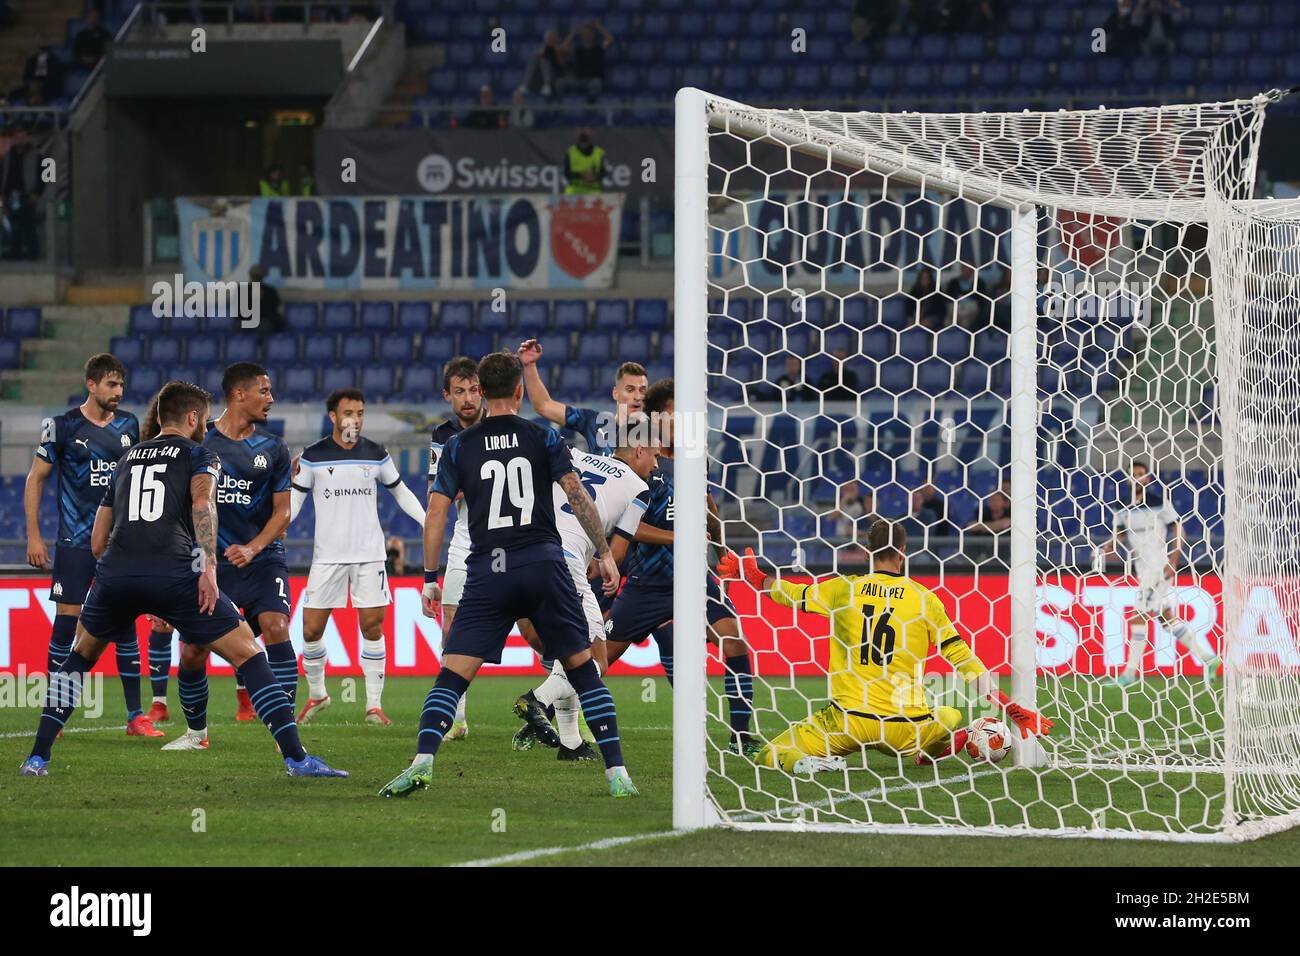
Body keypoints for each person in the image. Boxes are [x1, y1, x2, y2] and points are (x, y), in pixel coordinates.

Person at [20, 380, 346, 779]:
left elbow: (97, 539)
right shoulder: (199, 454)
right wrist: (207, 568)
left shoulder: (126, 458)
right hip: (174, 573)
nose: (205, 424)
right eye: (204, 418)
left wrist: (120, 575)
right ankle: (297, 759)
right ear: (193, 418)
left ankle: (37, 757)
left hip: (116, 573)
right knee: (249, 653)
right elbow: (202, 503)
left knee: (79, 656)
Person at [379, 352, 638, 798]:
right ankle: (617, 775)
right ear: (519, 390)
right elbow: (577, 496)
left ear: (481, 391)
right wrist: (604, 552)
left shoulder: (459, 446)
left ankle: (422, 762)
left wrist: (429, 575)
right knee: (583, 669)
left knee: (452, 674)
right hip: (542, 563)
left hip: (489, 569)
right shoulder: (543, 436)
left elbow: (437, 513)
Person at [716, 520, 1052, 774]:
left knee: (769, 752)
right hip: (906, 727)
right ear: (903, 553)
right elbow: (962, 658)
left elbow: (789, 593)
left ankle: (807, 764)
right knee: (951, 714)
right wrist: (1007, 705)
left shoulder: (843, 589)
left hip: (848, 722)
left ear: (866, 551)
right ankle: (932, 749)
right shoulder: (925, 600)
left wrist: (755, 577)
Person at [602, 378, 762, 755]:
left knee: (735, 641)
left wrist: (721, 548)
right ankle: (554, 709)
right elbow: (626, 525)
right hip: (648, 582)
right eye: (676, 413)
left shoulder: (694, 455)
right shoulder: (637, 459)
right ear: (658, 416)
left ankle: (741, 736)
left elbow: (708, 506)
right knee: (597, 659)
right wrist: (678, 539)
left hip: (692, 577)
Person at [151, 364, 296, 749]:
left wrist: (254, 547)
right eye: (264, 391)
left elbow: (284, 511)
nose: (271, 399)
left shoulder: (274, 448)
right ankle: (197, 734)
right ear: (239, 395)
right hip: (210, 567)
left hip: (263, 560)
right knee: (195, 649)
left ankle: (287, 730)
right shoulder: (199, 443)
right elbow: (178, 507)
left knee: (276, 625)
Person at [24, 354, 158, 737]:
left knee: (126, 623)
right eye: (111, 385)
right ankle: (56, 712)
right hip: (75, 541)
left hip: (120, 543)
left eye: (121, 385)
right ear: (91, 384)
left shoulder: (130, 425)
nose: (118, 392)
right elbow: (36, 479)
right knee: (67, 621)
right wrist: (34, 535)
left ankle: (135, 717)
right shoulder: (62, 426)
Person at [511, 414, 657, 760]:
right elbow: (617, 550)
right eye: (654, 454)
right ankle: (538, 700)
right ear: (639, 449)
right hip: (562, 560)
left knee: (562, 647)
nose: (655, 463)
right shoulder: (640, 490)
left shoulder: (575, 455)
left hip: (522, 548)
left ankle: (572, 743)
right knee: (596, 658)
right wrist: (605, 565)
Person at [290, 388, 428, 725]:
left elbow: (400, 491)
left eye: (361, 413)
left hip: (369, 555)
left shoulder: (376, 454)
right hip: (327, 557)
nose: (355, 419)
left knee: (371, 626)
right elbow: (295, 501)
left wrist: (427, 522)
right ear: (333, 417)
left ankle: (373, 705)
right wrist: (278, 526)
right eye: (349, 412)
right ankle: (319, 694)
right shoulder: (313, 456)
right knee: (310, 630)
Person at [1098, 460, 1219, 686]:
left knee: (1138, 616)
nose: (1136, 478)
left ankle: (1129, 673)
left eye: (1140, 474)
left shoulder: (1159, 503)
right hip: (1141, 569)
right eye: (1132, 474)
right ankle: (1208, 658)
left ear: (1148, 478)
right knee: (1166, 618)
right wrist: (1109, 546)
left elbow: (1178, 528)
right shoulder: (1122, 507)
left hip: (1158, 567)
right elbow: (1121, 534)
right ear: (1127, 479)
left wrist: (1173, 560)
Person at [426, 356, 484, 740]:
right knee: (451, 629)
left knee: (536, 632)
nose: (468, 398)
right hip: (465, 539)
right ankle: (457, 719)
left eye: (474, 390)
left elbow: (454, 488)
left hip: (508, 538)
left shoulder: (499, 423)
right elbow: (439, 496)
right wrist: (429, 576)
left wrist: (460, 482)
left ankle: (559, 705)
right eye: (459, 391)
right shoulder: (443, 436)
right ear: (447, 395)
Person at [559, 20, 614, 98]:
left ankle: (592, 105)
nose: (586, 35)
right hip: (578, 79)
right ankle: (560, 104)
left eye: (589, 33)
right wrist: (573, 33)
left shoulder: (599, 47)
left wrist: (599, 28)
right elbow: (562, 49)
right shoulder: (577, 49)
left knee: (596, 83)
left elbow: (610, 40)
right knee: (561, 83)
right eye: (584, 33)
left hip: (593, 79)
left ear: (593, 35)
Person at [563, 128, 607, 195]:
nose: (584, 144)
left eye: (585, 141)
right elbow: (566, 173)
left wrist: (594, 177)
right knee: (567, 197)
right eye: (582, 141)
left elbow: (604, 172)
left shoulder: (599, 153)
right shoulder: (570, 152)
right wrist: (581, 174)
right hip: (574, 189)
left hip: (593, 190)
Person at [521, 29, 562, 96]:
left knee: (543, 60)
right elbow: (537, 54)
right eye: (548, 38)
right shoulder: (544, 50)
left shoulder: (560, 48)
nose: (549, 40)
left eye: (551, 38)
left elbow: (560, 64)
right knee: (535, 59)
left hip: (555, 75)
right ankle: (526, 84)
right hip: (541, 77)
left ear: (556, 39)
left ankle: (547, 84)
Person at [249, 264, 285, 336]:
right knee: (238, 326)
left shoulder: (270, 291)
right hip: (248, 320)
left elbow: (274, 308)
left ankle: (264, 346)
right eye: (255, 276)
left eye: (258, 276)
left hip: (265, 320)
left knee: (264, 326)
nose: (256, 278)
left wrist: (263, 298)